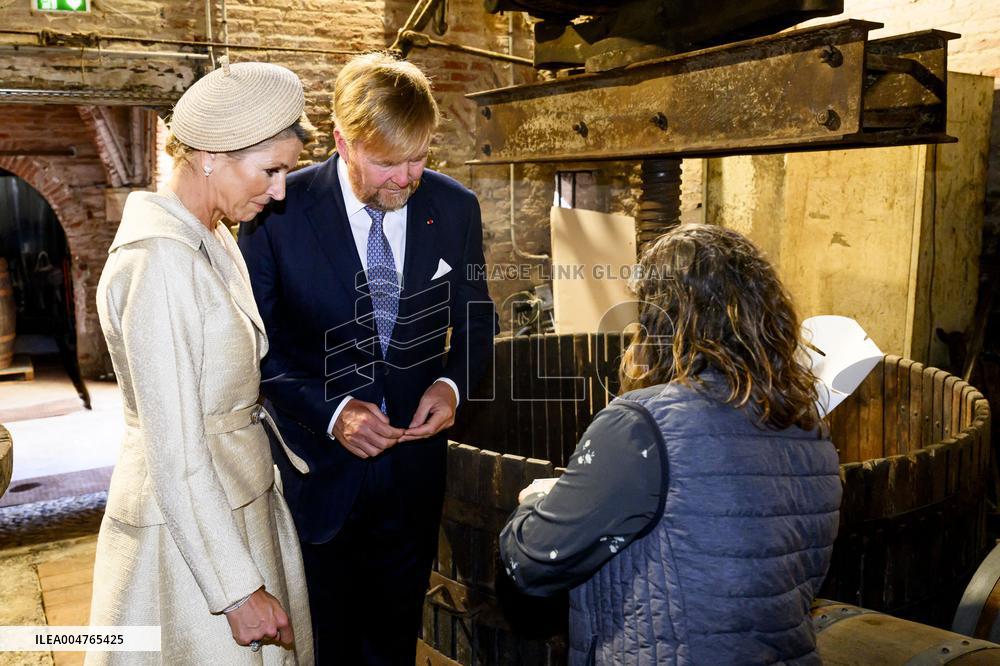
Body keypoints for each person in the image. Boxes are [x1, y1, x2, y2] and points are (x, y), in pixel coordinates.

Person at [238, 52, 497, 664]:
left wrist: (452, 386)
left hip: (412, 478)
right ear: (343, 142)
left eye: (421, 156)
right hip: (314, 475)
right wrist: (332, 414)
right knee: (321, 644)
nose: (406, 179)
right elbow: (253, 347)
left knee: (392, 644)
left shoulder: (455, 207)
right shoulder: (277, 211)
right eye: (387, 162)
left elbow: (477, 317)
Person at [499, 224, 843, 665]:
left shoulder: (642, 424)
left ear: (665, 319)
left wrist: (533, 504)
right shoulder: (809, 428)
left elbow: (531, 563)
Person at [87, 61, 314, 665]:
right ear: (211, 154)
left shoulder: (212, 237)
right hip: (188, 536)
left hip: (235, 499)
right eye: (270, 171)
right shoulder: (161, 262)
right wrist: (237, 591)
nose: (280, 191)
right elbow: (177, 449)